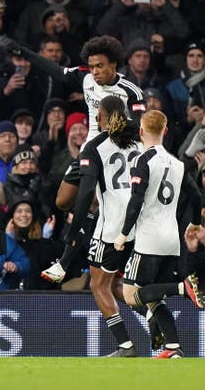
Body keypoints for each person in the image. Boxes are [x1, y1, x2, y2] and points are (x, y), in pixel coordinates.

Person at [41, 96, 143, 356]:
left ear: (102, 117)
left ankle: (125, 344)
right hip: (141, 220)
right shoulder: (140, 142)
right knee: (122, 283)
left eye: (98, 114)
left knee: (99, 284)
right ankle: (159, 322)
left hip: (112, 223)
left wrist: (73, 233)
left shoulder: (95, 146)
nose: (95, 118)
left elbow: (85, 194)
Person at [113, 110, 204, 358]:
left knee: (131, 296)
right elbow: (197, 196)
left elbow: (136, 200)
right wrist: (195, 222)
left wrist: (123, 234)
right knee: (154, 297)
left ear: (141, 132)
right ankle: (173, 348)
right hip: (171, 240)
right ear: (165, 131)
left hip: (148, 239)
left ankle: (182, 288)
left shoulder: (143, 161)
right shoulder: (178, 164)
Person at [10, 34, 146, 143]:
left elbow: (138, 127)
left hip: (121, 149)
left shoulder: (132, 92)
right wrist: (25, 53)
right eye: (91, 67)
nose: (95, 72)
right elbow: (55, 70)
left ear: (113, 65)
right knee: (68, 178)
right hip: (92, 148)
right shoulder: (85, 77)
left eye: (99, 66)